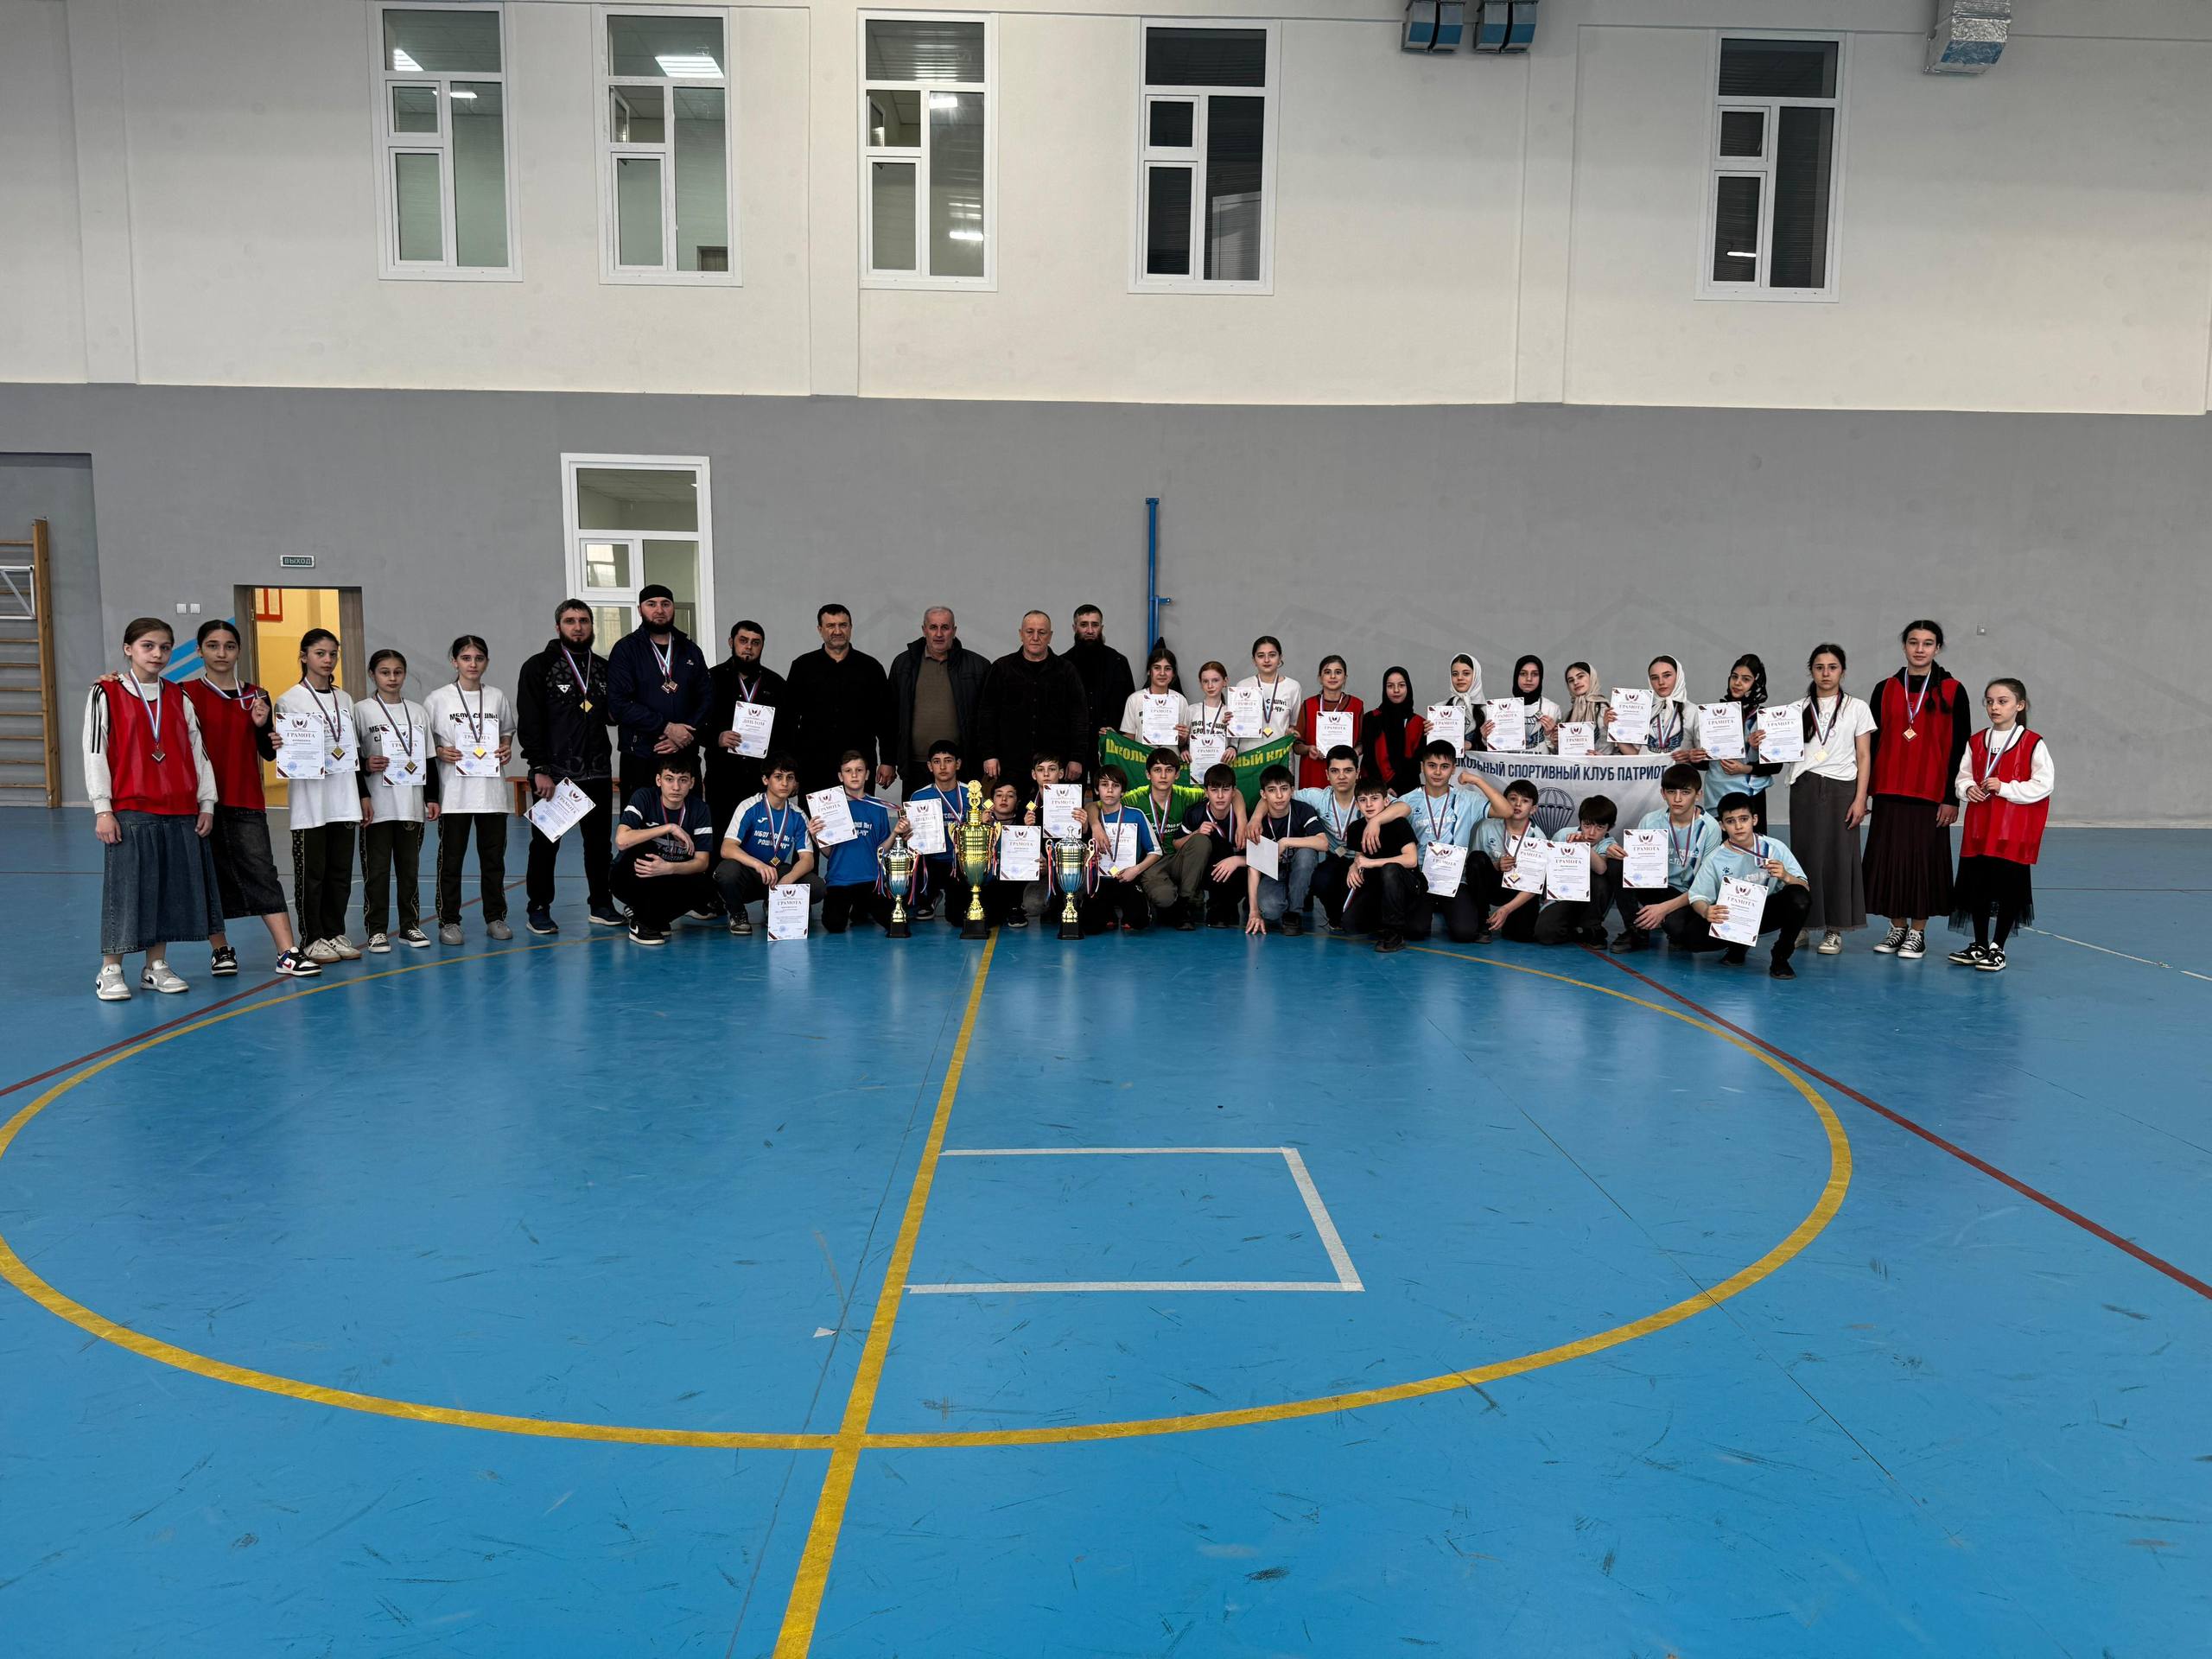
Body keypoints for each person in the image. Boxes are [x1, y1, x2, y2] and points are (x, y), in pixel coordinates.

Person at [84, 617, 222, 1000]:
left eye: (164, 647)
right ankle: (111, 969)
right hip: (131, 808)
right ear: (128, 649)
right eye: (148, 646)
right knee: (127, 891)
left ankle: (155, 966)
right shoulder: (105, 693)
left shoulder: (179, 696)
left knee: (167, 891)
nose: (157, 654)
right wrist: (103, 809)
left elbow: (199, 752)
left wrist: (206, 802)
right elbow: (95, 752)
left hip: (179, 809)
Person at [181, 619, 315, 978]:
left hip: (246, 798)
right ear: (200, 651)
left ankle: (287, 952)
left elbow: (268, 753)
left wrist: (262, 728)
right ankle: (221, 950)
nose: (221, 653)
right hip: (199, 802)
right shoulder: (183, 693)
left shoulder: (257, 695)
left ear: (239, 651)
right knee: (207, 874)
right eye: (213, 646)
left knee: (263, 872)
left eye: (229, 646)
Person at [1863, 620, 1973, 962]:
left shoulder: (1953, 690)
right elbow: (1871, 744)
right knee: (1890, 862)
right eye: (1913, 642)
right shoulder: (1885, 689)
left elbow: (1961, 747)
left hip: (1930, 793)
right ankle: (1896, 927)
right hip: (1889, 790)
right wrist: (1864, 792)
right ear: (1904, 646)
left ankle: (1917, 932)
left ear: (1937, 648)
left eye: (1927, 643)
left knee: (1922, 865)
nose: (1920, 649)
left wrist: (1952, 798)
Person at [517, 599, 620, 934]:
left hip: (598, 770)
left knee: (599, 845)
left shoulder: (602, 668)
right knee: (545, 845)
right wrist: (539, 768)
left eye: (584, 621)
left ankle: (601, 904)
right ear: (558, 626)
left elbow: (612, 715)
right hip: (556, 774)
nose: (578, 627)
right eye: (570, 621)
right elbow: (529, 721)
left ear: (592, 626)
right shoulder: (539, 666)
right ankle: (538, 907)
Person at [1948, 678, 2052, 973]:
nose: (1995, 707)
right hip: (1980, 827)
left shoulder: (2032, 743)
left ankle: (1998, 947)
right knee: (1977, 886)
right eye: (1990, 701)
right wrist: (1967, 789)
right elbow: (1963, 776)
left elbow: (2043, 784)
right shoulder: (1976, 741)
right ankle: (1980, 943)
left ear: (2020, 705)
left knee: (2008, 889)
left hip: (2012, 829)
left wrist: (2005, 787)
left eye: (2003, 701)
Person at [273, 627, 364, 963]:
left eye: (333, 654)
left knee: (340, 873)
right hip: (310, 803)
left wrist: (363, 795)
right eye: (320, 653)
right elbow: (284, 752)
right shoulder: (289, 700)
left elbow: (353, 751)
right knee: (312, 874)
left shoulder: (345, 699)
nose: (328, 660)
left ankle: (335, 932)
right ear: (304, 656)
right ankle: (312, 937)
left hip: (344, 799)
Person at [1786, 643, 1875, 956]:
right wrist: (1762, 741)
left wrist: (1861, 798)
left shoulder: (1857, 708)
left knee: (1840, 857)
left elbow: (1864, 756)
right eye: (1819, 667)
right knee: (1803, 856)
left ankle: (1835, 929)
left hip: (1842, 788)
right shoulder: (1795, 709)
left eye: (1832, 667)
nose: (1826, 673)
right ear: (1811, 670)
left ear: (1843, 671)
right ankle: (1801, 925)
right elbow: (1780, 753)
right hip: (1805, 787)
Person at [425, 635, 514, 946]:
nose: (473, 664)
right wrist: (439, 751)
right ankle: (449, 920)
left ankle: (495, 917)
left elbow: (506, 732)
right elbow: (424, 742)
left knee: (494, 862)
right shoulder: (438, 699)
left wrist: (506, 747)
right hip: (454, 795)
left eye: (478, 658)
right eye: (466, 658)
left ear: (486, 662)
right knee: (451, 862)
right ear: (454, 662)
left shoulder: (497, 697)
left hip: (491, 794)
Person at [353, 647, 438, 951]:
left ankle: (409, 926)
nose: (392, 678)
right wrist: (366, 767)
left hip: (410, 805)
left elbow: (429, 758)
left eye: (398, 672)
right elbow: (352, 759)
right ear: (372, 675)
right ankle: (376, 929)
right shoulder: (361, 710)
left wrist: (432, 797)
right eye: (385, 672)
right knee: (376, 871)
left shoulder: (417, 712)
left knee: (409, 871)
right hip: (377, 806)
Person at [1684, 793, 1814, 978]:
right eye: (1731, 821)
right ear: (1722, 826)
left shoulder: (1774, 848)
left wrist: (1786, 876)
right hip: (1733, 916)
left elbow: (1804, 888)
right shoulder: (1715, 858)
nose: (1738, 826)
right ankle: (1737, 944)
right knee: (1692, 937)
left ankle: (1781, 957)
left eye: (1743, 819)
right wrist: (1705, 911)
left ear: (1754, 819)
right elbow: (1698, 896)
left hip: (1767, 912)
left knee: (1799, 898)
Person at [1395, 739, 1512, 944]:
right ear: (1422, 767)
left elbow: (1506, 811)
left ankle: (1458, 911)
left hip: (1456, 878)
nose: (1437, 772)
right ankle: (1426, 911)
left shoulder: (1467, 799)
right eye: (1432, 765)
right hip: (1421, 877)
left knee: (1465, 933)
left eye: (1444, 766)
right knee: (1414, 931)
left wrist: (1477, 781)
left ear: (1453, 769)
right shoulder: (1407, 800)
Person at [606, 585, 713, 803]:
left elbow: (706, 698)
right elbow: (619, 704)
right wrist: (667, 728)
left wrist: (684, 734)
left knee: (688, 818)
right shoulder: (626, 649)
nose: (659, 610)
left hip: (684, 754)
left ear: (673, 608)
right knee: (640, 819)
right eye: (651, 604)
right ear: (640, 609)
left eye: (665, 604)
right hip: (641, 755)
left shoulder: (690, 650)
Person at [1606, 764, 1719, 953]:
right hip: (1654, 885)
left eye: (1685, 792)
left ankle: (1669, 924)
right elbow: (1635, 866)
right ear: (1663, 793)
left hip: (1687, 893)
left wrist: (1663, 909)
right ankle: (1636, 930)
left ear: (1698, 795)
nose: (1677, 799)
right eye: (1671, 792)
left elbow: (1705, 885)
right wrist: (1613, 852)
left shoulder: (1710, 827)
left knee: (1676, 929)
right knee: (1617, 863)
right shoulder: (1650, 820)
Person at [784, 603, 894, 793]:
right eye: (830, 626)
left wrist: (888, 761)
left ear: (850, 628)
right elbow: (789, 719)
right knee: (814, 814)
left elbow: (886, 719)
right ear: (820, 629)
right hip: (813, 765)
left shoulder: (871, 668)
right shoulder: (802, 667)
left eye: (843, 625)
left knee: (859, 813)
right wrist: (790, 766)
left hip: (858, 765)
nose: (837, 631)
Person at [974, 612, 1090, 785]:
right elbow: (987, 715)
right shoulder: (1001, 668)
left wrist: (1077, 758)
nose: (1035, 637)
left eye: (1042, 632)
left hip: (1055, 767)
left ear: (1050, 636)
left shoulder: (1067, 671)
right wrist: (989, 754)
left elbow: (1079, 717)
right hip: (1010, 765)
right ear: (1021, 634)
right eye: (1030, 632)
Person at [611, 753, 715, 945]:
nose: (676, 787)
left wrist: (669, 868)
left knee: (706, 886)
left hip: (668, 875)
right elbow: (622, 840)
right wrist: (669, 827)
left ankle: (653, 917)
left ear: (692, 783)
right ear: (659, 780)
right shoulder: (644, 797)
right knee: (643, 847)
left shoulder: (699, 809)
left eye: (683, 780)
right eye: (669, 779)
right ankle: (642, 923)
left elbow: (702, 862)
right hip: (629, 877)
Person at [701, 618, 788, 846]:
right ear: (731, 642)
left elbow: (787, 733)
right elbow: (696, 724)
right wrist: (717, 738)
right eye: (743, 641)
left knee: (760, 839)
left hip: (761, 778)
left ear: (762, 646)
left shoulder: (776, 684)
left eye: (755, 642)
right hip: (722, 777)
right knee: (721, 837)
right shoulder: (711, 679)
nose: (749, 647)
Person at [711, 753, 814, 935]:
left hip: (776, 872)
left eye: (790, 778)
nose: (785, 783)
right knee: (726, 872)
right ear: (766, 780)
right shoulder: (749, 806)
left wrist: (788, 879)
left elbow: (807, 859)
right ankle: (738, 914)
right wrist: (758, 864)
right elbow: (727, 848)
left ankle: (773, 906)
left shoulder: (798, 815)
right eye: (778, 777)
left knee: (816, 885)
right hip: (748, 872)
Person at [887, 607, 987, 794]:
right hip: (916, 765)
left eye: (945, 627)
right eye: (933, 627)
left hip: (961, 765)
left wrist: (988, 757)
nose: (939, 634)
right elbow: (890, 716)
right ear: (924, 630)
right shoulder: (904, 664)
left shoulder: (977, 666)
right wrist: (888, 761)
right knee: (917, 813)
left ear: (954, 631)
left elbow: (988, 718)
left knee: (964, 813)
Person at [810, 750, 896, 933]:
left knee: (895, 923)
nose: (854, 775)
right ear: (841, 777)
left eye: (859, 770)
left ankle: (861, 909)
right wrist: (816, 836)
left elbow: (881, 851)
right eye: (848, 771)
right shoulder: (829, 807)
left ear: (867, 774)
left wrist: (895, 833)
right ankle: (857, 909)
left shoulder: (878, 807)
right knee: (833, 924)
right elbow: (829, 853)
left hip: (871, 879)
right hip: (840, 881)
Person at [1240, 764, 1327, 936]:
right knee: (1270, 910)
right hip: (1274, 872)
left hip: (1299, 868)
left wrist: (1286, 842)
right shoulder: (1256, 823)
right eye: (1272, 790)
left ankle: (1294, 912)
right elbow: (1254, 868)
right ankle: (1287, 897)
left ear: (1292, 790)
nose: (1279, 796)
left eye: (1284, 789)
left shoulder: (1303, 810)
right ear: (1263, 794)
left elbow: (1323, 843)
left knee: (1307, 853)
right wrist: (1254, 911)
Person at [1695, 653, 1783, 825]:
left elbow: (1776, 766)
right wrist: (1695, 758)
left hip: (1750, 797)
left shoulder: (1765, 717)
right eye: (1734, 677)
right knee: (1718, 841)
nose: (1737, 683)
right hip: (1717, 794)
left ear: (1756, 683)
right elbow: (1707, 764)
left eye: (1746, 679)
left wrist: (1746, 767)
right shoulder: (1714, 714)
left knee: (1750, 842)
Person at [1158, 762, 1248, 929]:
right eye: (1214, 790)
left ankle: (1227, 903)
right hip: (1205, 870)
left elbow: (1260, 858)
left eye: (1225, 790)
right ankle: (1191, 903)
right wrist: (1196, 833)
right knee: (1207, 842)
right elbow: (1176, 843)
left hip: (1235, 873)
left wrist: (1236, 860)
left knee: (1242, 862)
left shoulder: (1244, 816)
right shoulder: (1195, 813)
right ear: (1206, 792)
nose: (1220, 796)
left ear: (1233, 792)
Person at [1342, 775, 1421, 954]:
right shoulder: (1355, 828)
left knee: (1390, 870)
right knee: (1350, 924)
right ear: (1357, 805)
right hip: (1378, 887)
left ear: (1386, 801)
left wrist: (1372, 863)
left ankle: (1394, 934)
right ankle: (1385, 919)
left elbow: (1411, 860)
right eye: (1363, 800)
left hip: (1408, 887)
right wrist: (1353, 867)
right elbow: (1359, 857)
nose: (1369, 804)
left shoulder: (1399, 823)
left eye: (1374, 798)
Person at [1083, 765, 1164, 933]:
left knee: (1138, 922)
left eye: (1116, 785)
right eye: (1104, 785)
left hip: (1128, 878)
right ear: (1097, 790)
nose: (1110, 790)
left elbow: (1156, 851)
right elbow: (1083, 849)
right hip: (1099, 881)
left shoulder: (1136, 815)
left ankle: (1140, 906)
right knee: (1090, 926)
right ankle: (1108, 914)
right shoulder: (1090, 818)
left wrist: (1136, 869)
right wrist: (1087, 858)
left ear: (1123, 792)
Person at [1532, 794, 1618, 946]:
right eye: (1587, 825)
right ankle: (1574, 929)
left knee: (1599, 877)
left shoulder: (1609, 843)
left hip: (1591, 902)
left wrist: (1583, 846)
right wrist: (1546, 895)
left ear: (1609, 828)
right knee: (1545, 934)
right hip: (1563, 895)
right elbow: (1547, 866)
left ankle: (1591, 927)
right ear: (1580, 822)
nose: (1591, 833)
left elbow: (1601, 869)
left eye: (1600, 827)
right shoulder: (1563, 834)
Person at [1132, 747, 1203, 921]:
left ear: (1177, 775)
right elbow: (1095, 805)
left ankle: (1185, 900)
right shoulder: (1136, 797)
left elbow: (1233, 793)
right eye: (1157, 770)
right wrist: (1095, 824)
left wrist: (1248, 819)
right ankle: (1158, 893)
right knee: (1164, 899)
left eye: (1169, 770)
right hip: (1151, 863)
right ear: (1148, 774)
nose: (1163, 776)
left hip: (1178, 858)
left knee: (1201, 841)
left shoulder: (1186, 795)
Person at [1474, 779, 1549, 942]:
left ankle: (1509, 917)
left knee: (1521, 935)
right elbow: (1474, 866)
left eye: (1525, 801)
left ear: (1533, 809)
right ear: (1504, 802)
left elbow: (1535, 885)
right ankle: (1481, 920)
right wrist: (1496, 865)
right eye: (1513, 799)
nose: (1518, 804)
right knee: (1476, 858)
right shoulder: (1487, 827)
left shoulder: (1538, 838)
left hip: (1519, 890)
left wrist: (1507, 909)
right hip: (1493, 885)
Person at [1297, 745, 1363, 929]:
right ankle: (1335, 918)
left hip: (1364, 861)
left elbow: (1402, 807)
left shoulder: (1368, 796)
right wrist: (1255, 818)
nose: (1341, 776)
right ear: (1327, 774)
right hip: (1336, 858)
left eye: (1348, 770)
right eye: (1335, 771)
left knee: (1359, 922)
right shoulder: (1319, 797)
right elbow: (1280, 797)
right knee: (1320, 879)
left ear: (1358, 773)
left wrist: (1376, 821)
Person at [905, 739, 971, 919]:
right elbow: (911, 838)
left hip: (959, 864)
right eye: (936, 761)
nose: (942, 767)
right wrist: (905, 833)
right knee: (905, 904)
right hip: (930, 863)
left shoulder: (971, 794)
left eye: (948, 761)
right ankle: (929, 896)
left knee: (956, 917)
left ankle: (953, 897)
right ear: (929, 766)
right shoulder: (919, 796)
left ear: (958, 764)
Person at [1067, 604, 1135, 775]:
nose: (1090, 630)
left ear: (1101, 628)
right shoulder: (1063, 665)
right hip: (1073, 752)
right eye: (1084, 625)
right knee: (1072, 793)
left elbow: (1131, 707)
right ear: (1074, 628)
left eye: (1095, 625)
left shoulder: (1119, 662)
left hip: (1111, 748)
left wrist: (1120, 737)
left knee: (1109, 792)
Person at [1294, 655, 1361, 790]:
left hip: (1344, 772)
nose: (1333, 676)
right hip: (1314, 770)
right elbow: (1297, 746)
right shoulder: (1308, 705)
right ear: (1320, 677)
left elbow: (1361, 742)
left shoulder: (1356, 705)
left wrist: (1355, 752)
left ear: (1345, 677)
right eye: (1327, 672)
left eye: (1338, 672)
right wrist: (1309, 749)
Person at [1362, 666, 1427, 795]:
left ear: (1408, 687)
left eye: (1401, 685)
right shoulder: (1371, 718)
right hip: (1375, 791)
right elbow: (1369, 759)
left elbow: (1417, 764)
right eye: (1390, 686)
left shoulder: (1420, 723)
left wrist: (1432, 734)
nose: (1396, 690)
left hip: (1409, 791)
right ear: (1384, 689)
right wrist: (1383, 789)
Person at [1619, 655, 1694, 757]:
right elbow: (1636, 754)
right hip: (1645, 768)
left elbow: (1703, 754)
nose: (1661, 682)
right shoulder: (1644, 711)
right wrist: (1614, 727)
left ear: (1679, 676)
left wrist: (1690, 756)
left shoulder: (1693, 711)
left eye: (1667, 675)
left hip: (1678, 768)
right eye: (1654, 678)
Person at [1233, 636, 1301, 747]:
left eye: (1272, 655)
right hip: (1249, 753)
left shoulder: (1293, 687)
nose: (1266, 660)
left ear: (1280, 658)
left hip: (1280, 753)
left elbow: (1294, 724)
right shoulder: (1243, 686)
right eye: (1261, 656)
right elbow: (1237, 725)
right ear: (1254, 660)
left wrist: (1291, 731)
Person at [1484, 656, 1560, 752]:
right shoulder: (1499, 710)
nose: (1529, 679)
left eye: (1535, 674)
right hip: (1509, 762)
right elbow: (1494, 751)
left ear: (1541, 678)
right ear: (1516, 676)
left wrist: (1550, 735)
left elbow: (1559, 754)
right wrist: (1485, 737)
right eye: (1523, 674)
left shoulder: (1552, 709)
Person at [1117, 645, 1189, 747]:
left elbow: (1181, 744)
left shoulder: (1180, 700)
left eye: (1168, 669)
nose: (1162, 673)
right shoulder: (1135, 699)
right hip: (1142, 756)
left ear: (1173, 673)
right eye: (1157, 668)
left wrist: (1183, 737)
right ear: (1149, 671)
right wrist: (1112, 736)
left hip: (1171, 756)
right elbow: (1130, 738)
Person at [1185, 660, 1237, 766]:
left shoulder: (1231, 712)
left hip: (1221, 768)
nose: (1210, 686)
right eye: (1205, 681)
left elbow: (1235, 742)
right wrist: (1183, 749)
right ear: (1201, 684)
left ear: (1225, 681)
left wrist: (1233, 748)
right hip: (1195, 767)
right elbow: (1184, 740)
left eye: (1215, 680)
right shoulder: (1192, 710)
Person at [1555, 662, 1612, 754]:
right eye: (1571, 680)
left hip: (1604, 763)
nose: (1576, 682)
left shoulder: (1607, 711)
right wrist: (1556, 742)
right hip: (1574, 764)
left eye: (1580, 676)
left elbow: (1625, 752)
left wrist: (1603, 759)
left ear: (1592, 677)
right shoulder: (1567, 717)